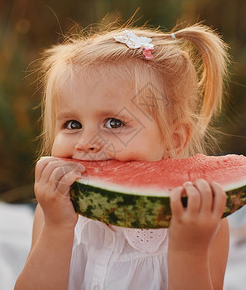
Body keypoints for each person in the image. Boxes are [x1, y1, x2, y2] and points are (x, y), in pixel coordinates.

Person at [15, 22, 230, 290]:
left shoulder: (203, 224)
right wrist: (57, 229)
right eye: (72, 124)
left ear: (174, 140)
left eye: (114, 123)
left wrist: (189, 251)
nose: (86, 143)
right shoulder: (53, 213)